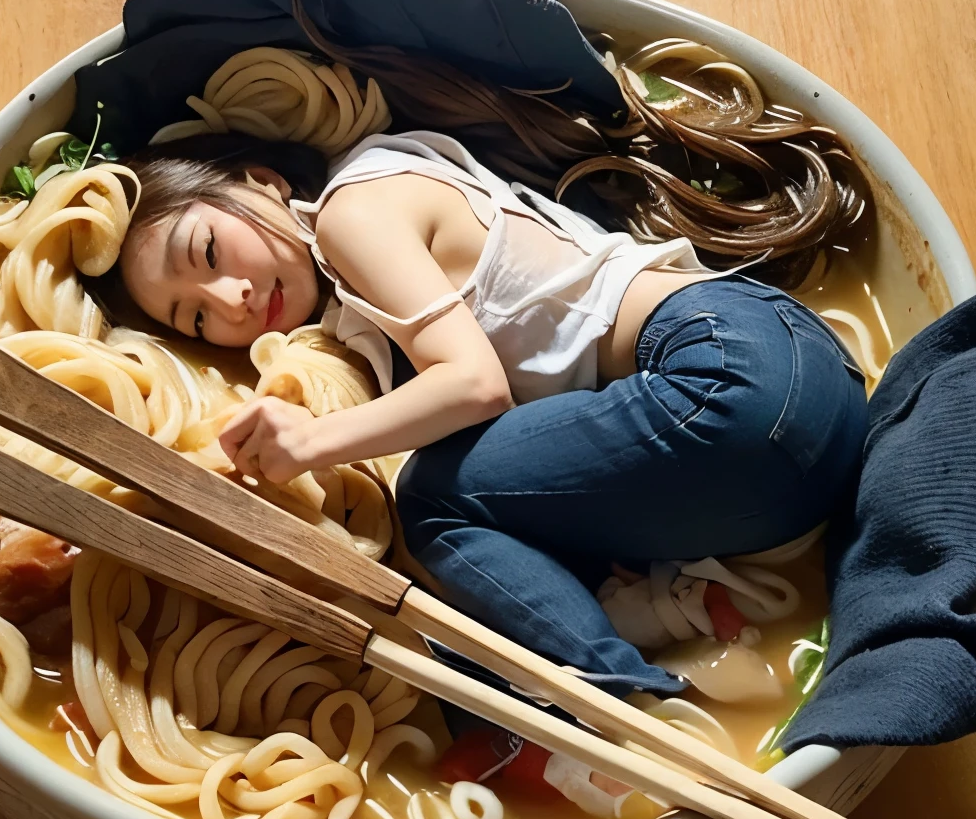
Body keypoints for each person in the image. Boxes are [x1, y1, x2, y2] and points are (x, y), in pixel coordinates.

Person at [104, 128, 867, 690]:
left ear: (261, 182)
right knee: (492, 508)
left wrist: (310, 441)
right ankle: (672, 628)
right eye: (194, 319)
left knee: (430, 499)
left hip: (722, 373)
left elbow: (474, 385)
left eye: (206, 252)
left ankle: (623, 708)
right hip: (805, 431)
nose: (229, 300)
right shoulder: (351, 300)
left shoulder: (349, 212)